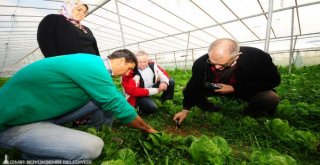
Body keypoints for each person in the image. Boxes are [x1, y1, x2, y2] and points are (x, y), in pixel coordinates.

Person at [0, 49, 157, 160]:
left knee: (99, 100)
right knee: (92, 148)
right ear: (121, 60)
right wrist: (148, 128)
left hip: (41, 113)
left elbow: (113, 96)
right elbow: (117, 104)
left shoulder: (91, 62)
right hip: (12, 124)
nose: (128, 73)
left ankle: (100, 132)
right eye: (129, 68)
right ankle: (32, 157)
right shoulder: (92, 67)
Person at [173, 38, 281, 124]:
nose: (217, 67)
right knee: (187, 89)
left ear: (237, 57)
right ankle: (211, 108)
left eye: (223, 64)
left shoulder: (258, 58)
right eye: (212, 62)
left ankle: (249, 113)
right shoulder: (201, 63)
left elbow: (274, 80)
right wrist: (185, 109)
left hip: (244, 88)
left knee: (271, 98)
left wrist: (235, 88)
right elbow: (194, 85)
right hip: (216, 86)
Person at [37, 0, 107, 127]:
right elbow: (46, 43)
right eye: (79, 9)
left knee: (96, 95)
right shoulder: (53, 20)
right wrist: (59, 66)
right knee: (79, 96)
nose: (82, 14)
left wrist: (99, 66)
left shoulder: (86, 29)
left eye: (85, 12)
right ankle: (65, 121)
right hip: (70, 69)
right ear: (69, 7)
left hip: (90, 69)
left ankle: (97, 127)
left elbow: (94, 49)